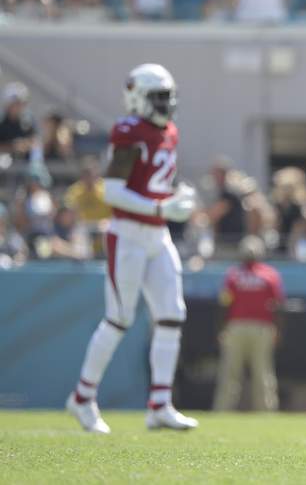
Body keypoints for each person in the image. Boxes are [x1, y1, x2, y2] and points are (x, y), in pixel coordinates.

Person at [66, 63, 198, 434]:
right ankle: (82, 398)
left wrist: (176, 199)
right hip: (127, 234)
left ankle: (160, 405)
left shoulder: (169, 132)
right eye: (158, 97)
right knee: (119, 318)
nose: (165, 104)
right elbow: (112, 192)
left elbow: (154, 182)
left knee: (171, 314)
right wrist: (161, 207)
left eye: (168, 97)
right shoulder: (129, 131)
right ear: (137, 98)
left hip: (158, 235)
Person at [213, 235, 284, 411]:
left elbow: (224, 304)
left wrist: (222, 328)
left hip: (237, 327)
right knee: (262, 372)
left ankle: (223, 410)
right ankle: (266, 412)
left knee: (232, 373)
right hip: (261, 328)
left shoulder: (234, 275)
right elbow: (278, 306)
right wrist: (278, 329)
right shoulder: (270, 275)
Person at [64, 157, 112, 257]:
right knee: (78, 233)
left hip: (103, 225)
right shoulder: (74, 191)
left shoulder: (106, 189)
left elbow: (115, 214)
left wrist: (106, 222)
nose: (89, 178)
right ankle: (83, 263)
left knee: (108, 229)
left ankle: (108, 258)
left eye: (91, 174)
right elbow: (69, 216)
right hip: (84, 226)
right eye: (86, 174)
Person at [0, 83, 35, 158]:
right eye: (16, 103)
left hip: (24, 163)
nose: (18, 107)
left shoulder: (27, 123)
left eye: (21, 103)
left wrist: (25, 145)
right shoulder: (1, 123)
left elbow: (35, 142)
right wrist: (12, 147)